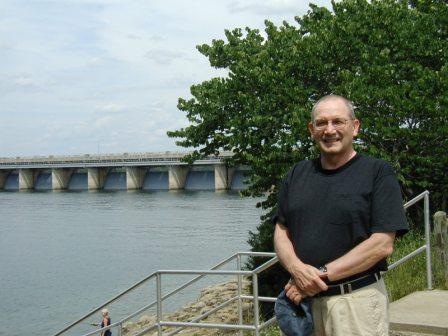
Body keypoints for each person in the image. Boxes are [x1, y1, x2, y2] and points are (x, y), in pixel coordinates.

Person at [273, 94, 408, 336]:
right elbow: (281, 230)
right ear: (311, 130)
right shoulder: (297, 174)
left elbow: (381, 245)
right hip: (302, 306)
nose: (330, 130)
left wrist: (317, 277)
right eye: (322, 123)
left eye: (338, 121)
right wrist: (296, 269)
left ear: (355, 127)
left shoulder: (378, 173)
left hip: (355, 303)